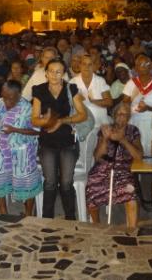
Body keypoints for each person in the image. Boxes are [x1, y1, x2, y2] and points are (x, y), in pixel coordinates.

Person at [31, 58, 87, 220]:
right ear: (46, 73)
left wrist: (62, 121)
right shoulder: (39, 90)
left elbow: (82, 115)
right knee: (50, 181)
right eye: (51, 71)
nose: (55, 75)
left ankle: (70, 219)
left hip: (67, 141)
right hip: (47, 141)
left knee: (66, 182)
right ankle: (48, 220)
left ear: (63, 74)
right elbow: (34, 119)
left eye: (59, 72)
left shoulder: (71, 88)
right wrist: (46, 121)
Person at [0, 80, 42, 217]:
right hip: (1, 149)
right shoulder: (0, 103)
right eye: (4, 96)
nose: (6, 101)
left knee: (26, 184)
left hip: (22, 151)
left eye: (10, 98)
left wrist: (15, 130)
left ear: (19, 94)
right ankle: (4, 214)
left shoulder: (28, 108)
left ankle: (28, 215)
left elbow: (37, 131)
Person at [86, 102, 143, 228]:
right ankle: (96, 225)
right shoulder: (106, 129)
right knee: (91, 187)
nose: (122, 117)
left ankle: (132, 231)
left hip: (124, 170)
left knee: (131, 196)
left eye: (125, 115)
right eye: (119, 114)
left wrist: (123, 140)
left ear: (129, 117)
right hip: (103, 168)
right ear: (113, 115)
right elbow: (97, 156)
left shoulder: (133, 131)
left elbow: (139, 156)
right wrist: (105, 139)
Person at [122, 54, 152, 157]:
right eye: (139, 64)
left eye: (146, 63)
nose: (142, 66)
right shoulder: (131, 83)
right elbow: (124, 104)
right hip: (134, 121)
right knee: (135, 153)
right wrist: (131, 99)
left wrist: (148, 108)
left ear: (151, 65)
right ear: (135, 68)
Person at [70, 54, 113, 131]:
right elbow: (69, 105)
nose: (87, 67)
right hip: (81, 127)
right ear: (80, 65)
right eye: (84, 64)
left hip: (101, 126)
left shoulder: (100, 81)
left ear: (94, 66)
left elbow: (109, 102)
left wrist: (93, 101)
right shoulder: (72, 82)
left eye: (90, 64)